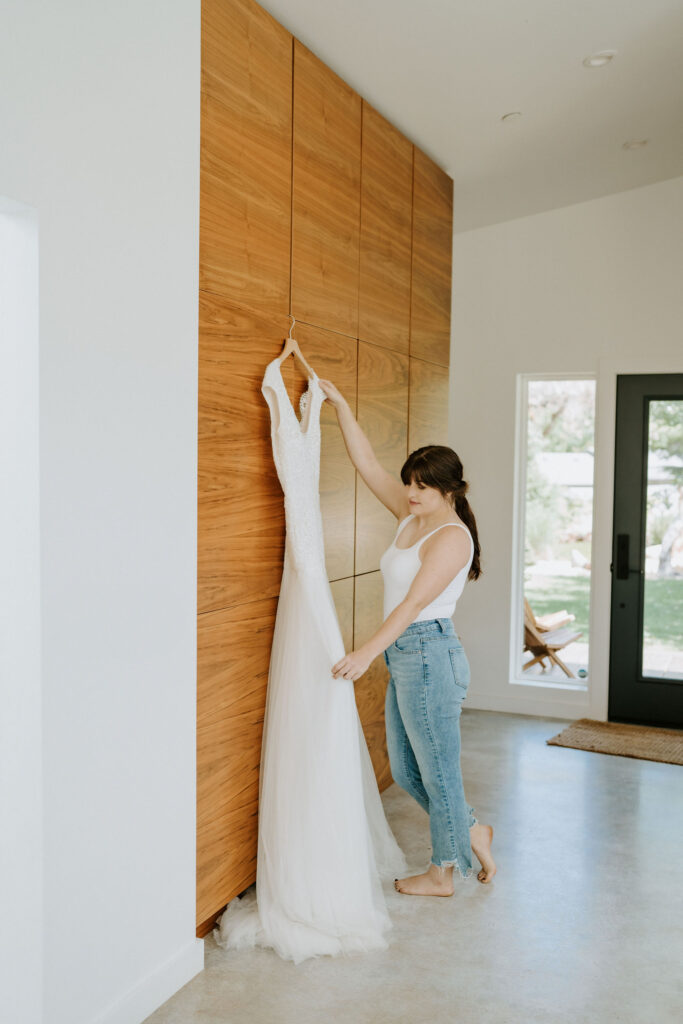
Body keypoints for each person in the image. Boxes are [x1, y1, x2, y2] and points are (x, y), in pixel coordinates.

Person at [318, 378, 496, 897]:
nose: (410, 493)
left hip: (430, 654)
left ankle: (443, 873)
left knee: (438, 770)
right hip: (407, 654)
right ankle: (471, 830)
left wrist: (364, 653)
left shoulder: (451, 538)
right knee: (405, 767)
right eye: (409, 484)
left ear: (450, 490)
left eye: (421, 486)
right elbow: (368, 464)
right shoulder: (410, 517)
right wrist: (342, 407)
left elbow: (414, 604)